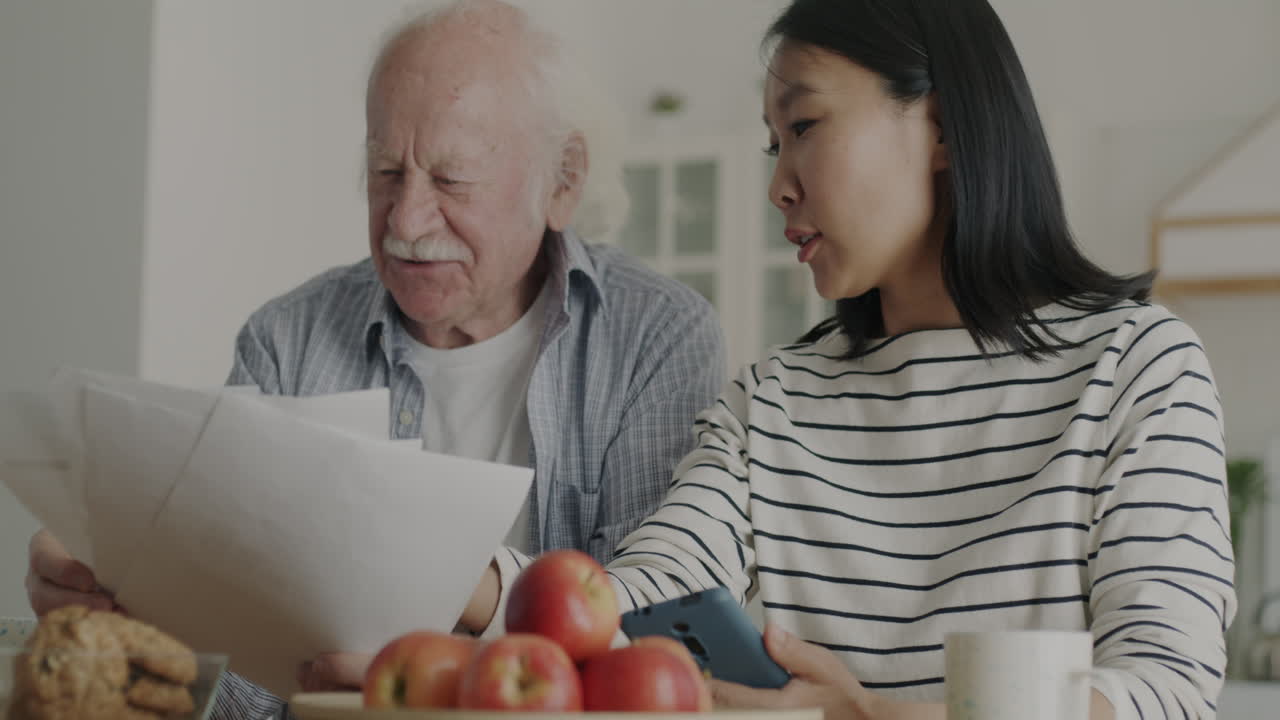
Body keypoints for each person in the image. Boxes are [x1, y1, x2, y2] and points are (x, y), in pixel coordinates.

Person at [456, 1, 1235, 718]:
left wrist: (867, 716)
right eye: (772, 143)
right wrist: (444, 563)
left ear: (941, 128)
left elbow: (1166, 690)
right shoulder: (773, 403)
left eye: (804, 126)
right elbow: (629, 603)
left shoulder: (1136, 368)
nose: (777, 187)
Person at [24, 1, 726, 718]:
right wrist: (126, 597)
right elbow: (235, 691)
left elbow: (655, 656)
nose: (405, 220)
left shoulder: (656, 339)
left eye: (451, 180)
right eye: (386, 171)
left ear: (563, 180)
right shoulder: (283, 340)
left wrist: (434, 682)